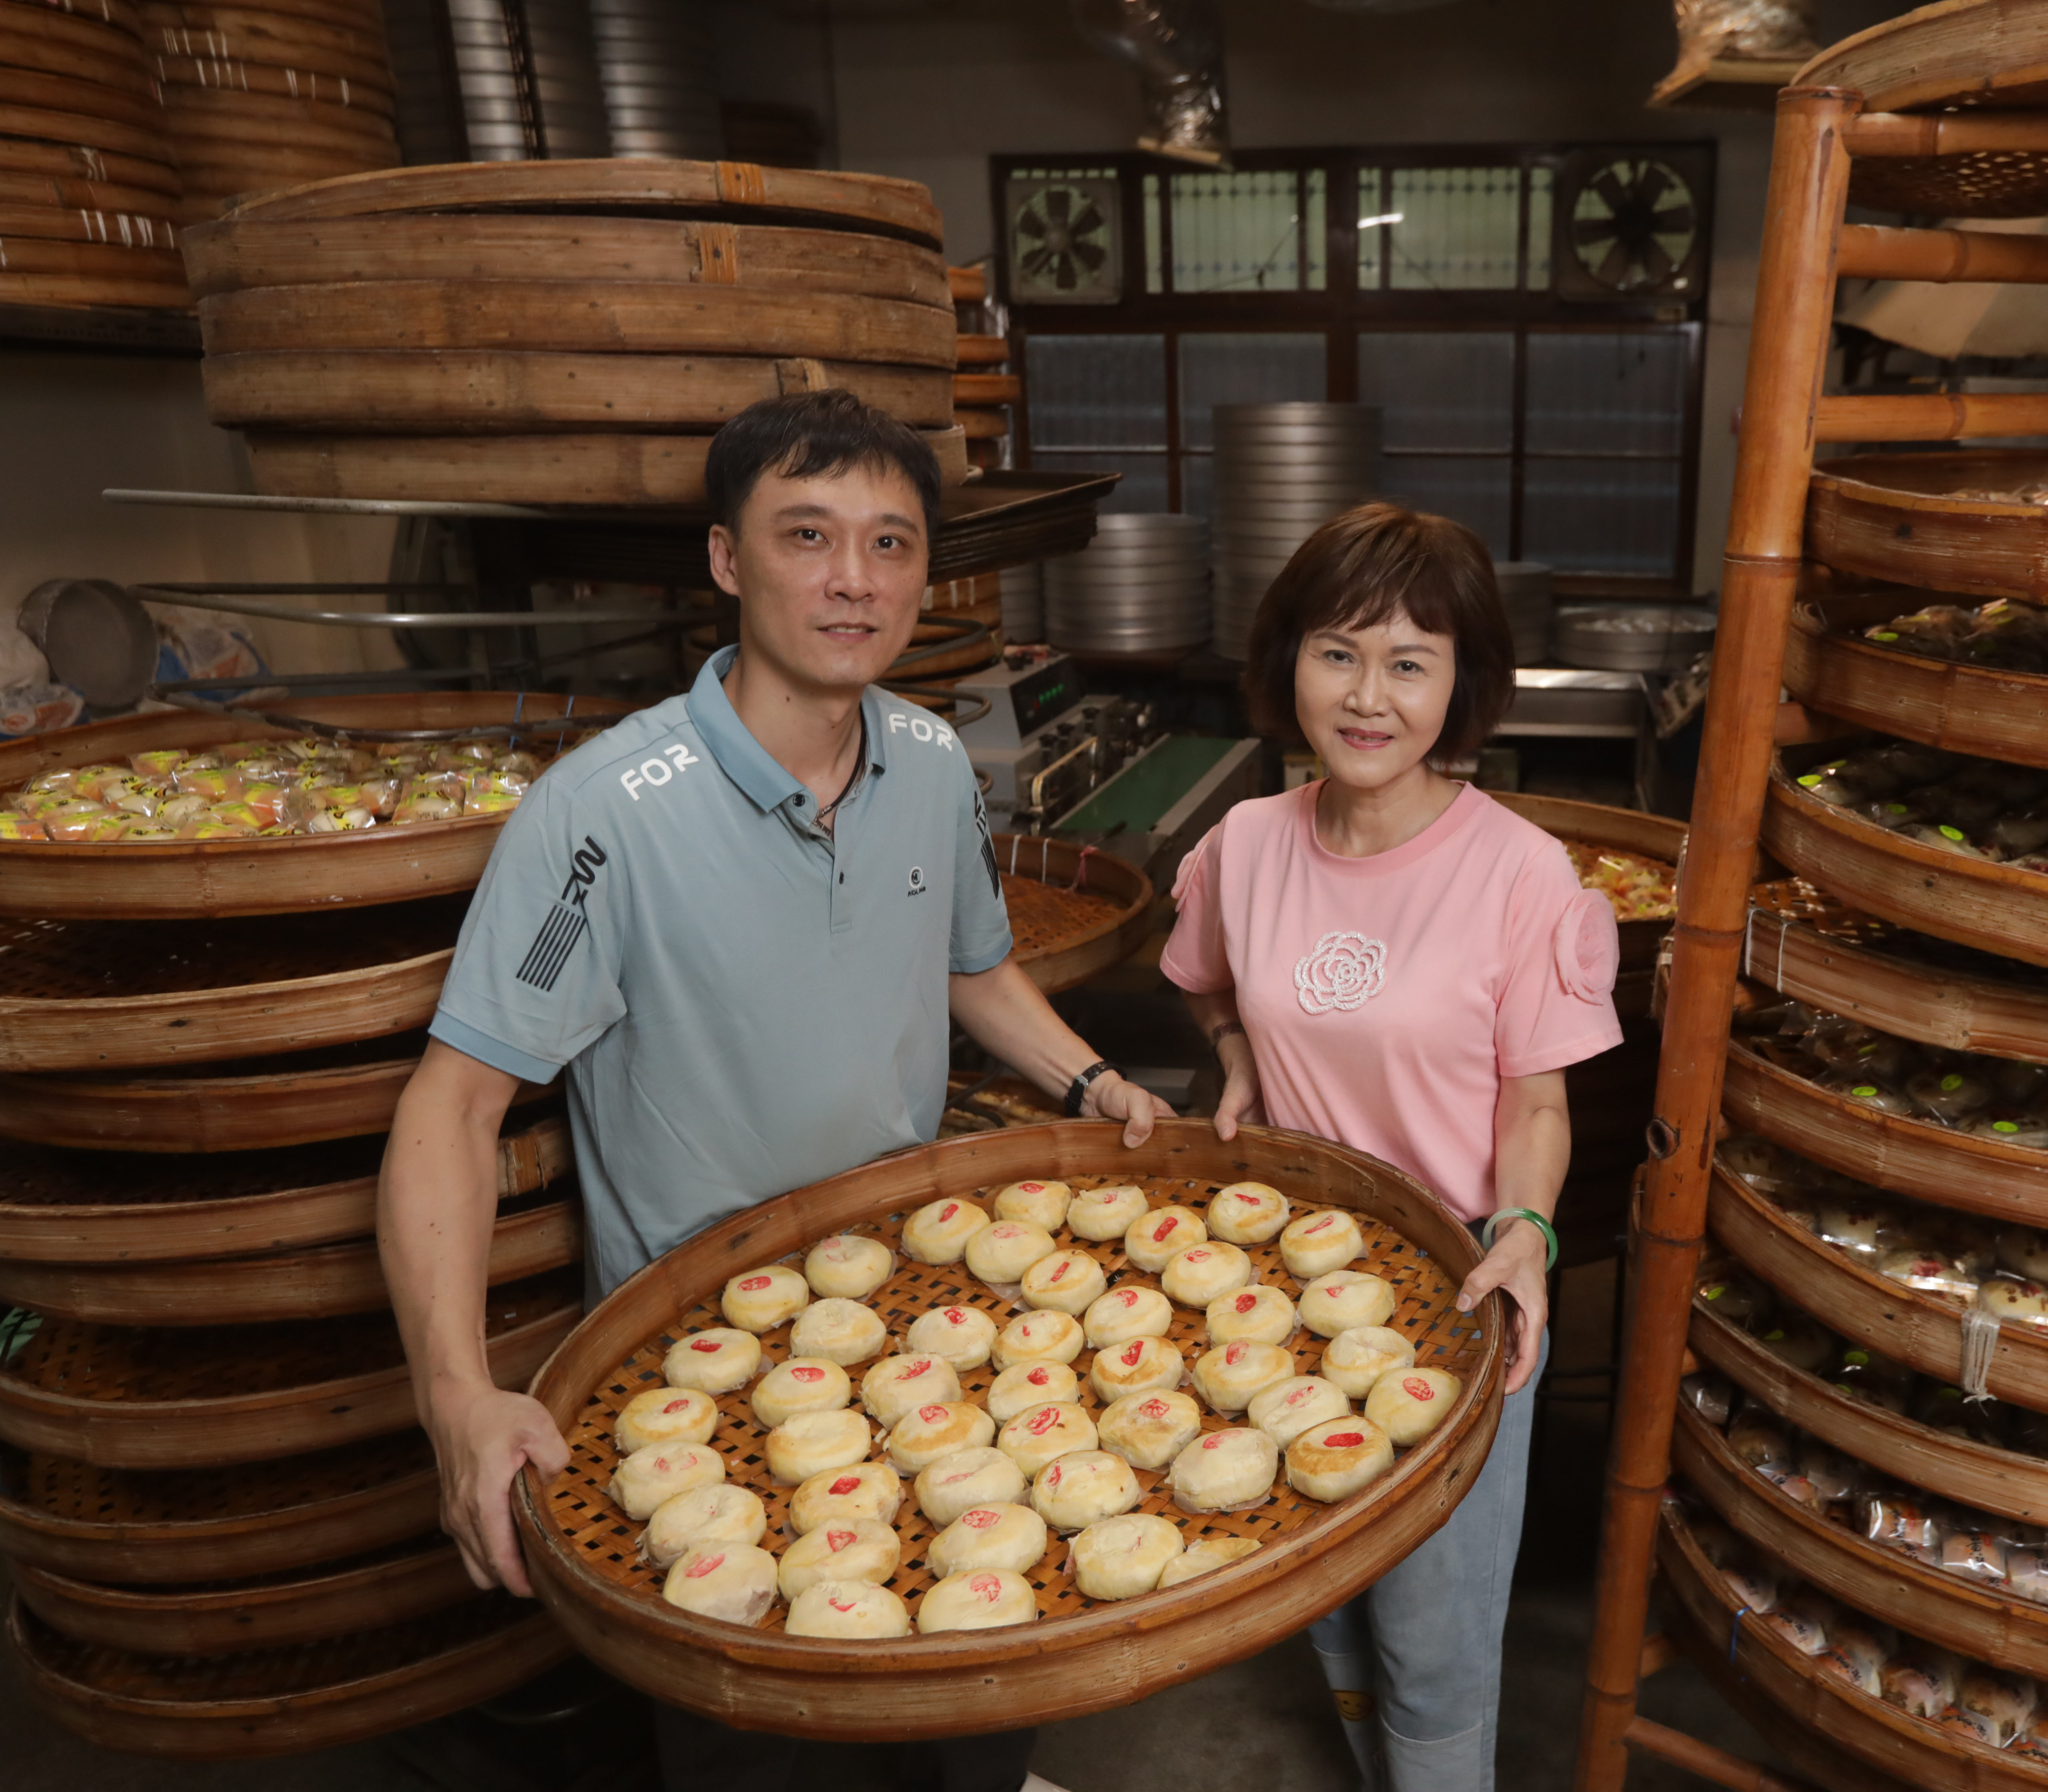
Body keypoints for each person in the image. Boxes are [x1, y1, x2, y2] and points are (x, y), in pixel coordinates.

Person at [378, 390, 1165, 1792]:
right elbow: (452, 1107)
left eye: (892, 544)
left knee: (980, 1685)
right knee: (763, 1737)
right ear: (728, 561)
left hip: (918, 1307)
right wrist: (456, 1399)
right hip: (699, 1362)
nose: (854, 579)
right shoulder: (604, 814)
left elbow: (970, 964)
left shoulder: (932, 761)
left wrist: (1091, 1077)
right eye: (808, 536)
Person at [1158, 503, 1623, 1791]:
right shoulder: (1243, 846)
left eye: (1411, 663)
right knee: (1317, 1588)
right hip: (1284, 1285)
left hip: (1456, 1294)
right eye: (1339, 653)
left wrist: (1524, 1236)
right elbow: (1201, 978)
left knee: (1433, 1641)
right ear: (1287, 660)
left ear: (1463, 684)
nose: (1370, 698)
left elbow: (1536, 1105)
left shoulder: (1524, 875)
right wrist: (1238, 1049)